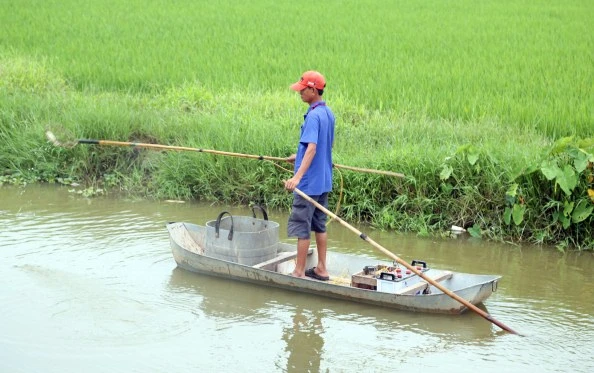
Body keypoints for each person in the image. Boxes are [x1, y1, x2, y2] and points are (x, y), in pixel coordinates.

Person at [284, 70, 335, 281]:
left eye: (303, 89)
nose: (300, 93)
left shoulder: (313, 116)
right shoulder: (327, 113)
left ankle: (299, 271)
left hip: (308, 184)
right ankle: (321, 268)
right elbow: (322, 146)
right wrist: (298, 155)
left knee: (301, 226)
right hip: (323, 181)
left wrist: (296, 178)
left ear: (313, 90)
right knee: (319, 225)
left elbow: (312, 148)